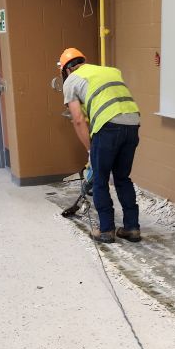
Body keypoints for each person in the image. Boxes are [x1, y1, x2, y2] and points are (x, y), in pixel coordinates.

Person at [60, 47, 142, 244]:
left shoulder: (71, 80)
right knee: (122, 177)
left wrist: (90, 149)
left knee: (100, 179)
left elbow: (78, 119)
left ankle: (106, 230)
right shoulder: (110, 70)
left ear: (67, 70)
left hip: (107, 126)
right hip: (132, 123)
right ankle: (132, 228)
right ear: (83, 61)